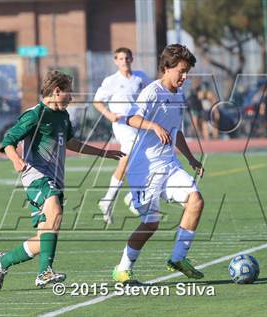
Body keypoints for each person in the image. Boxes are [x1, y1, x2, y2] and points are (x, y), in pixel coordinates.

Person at [0, 70, 124, 291]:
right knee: (54, 208)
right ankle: (44, 273)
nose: (71, 98)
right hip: (36, 176)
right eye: (69, 93)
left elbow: (71, 143)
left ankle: (3, 261)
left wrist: (103, 152)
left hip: (54, 178)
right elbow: (8, 140)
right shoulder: (35, 114)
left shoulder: (63, 116)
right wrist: (15, 159)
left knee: (45, 235)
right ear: (56, 91)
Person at [112, 44, 205, 284]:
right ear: (166, 68)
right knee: (151, 223)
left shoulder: (179, 95)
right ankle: (122, 268)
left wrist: (191, 159)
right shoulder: (152, 92)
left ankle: (178, 257)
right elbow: (131, 118)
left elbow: (177, 131)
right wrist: (152, 125)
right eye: (181, 71)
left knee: (195, 201)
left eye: (187, 72)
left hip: (169, 164)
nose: (185, 77)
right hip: (145, 169)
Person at [93, 47, 150, 224]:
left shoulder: (141, 77)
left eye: (127, 58)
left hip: (140, 123)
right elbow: (97, 101)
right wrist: (109, 115)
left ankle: (114, 199)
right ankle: (130, 198)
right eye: (120, 59)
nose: (124, 61)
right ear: (115, 61)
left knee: (142, 161)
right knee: (128, 157)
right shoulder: (111, 81)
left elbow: (151, 96)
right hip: (122, 125)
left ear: (131, 59)